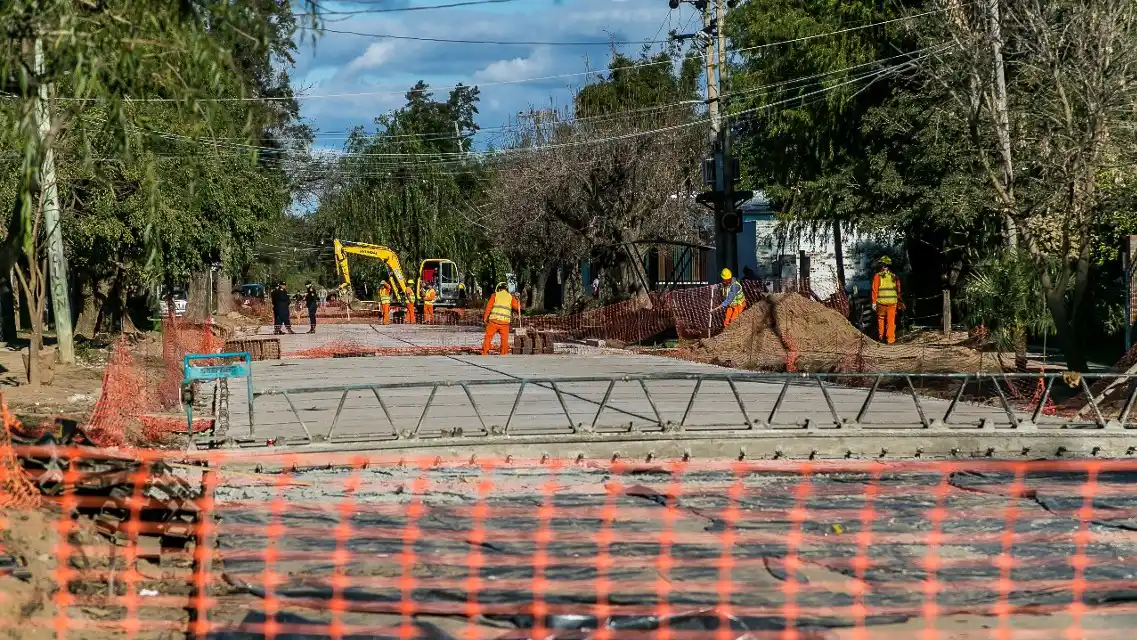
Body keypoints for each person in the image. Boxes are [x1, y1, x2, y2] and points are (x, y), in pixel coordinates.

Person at [481, 282, 520, 355]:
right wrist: (518, 300)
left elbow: (488, 307)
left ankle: (484, 352)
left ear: (499, 289)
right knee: (504, 339)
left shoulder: (495, 295)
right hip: (505, 323)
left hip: (493, 321)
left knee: (488, 337)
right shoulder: (511, 297)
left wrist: (485, 318)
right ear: (507, 289)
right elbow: (517, 307)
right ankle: (503, 354)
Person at [872, 256, 902, 344]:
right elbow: (898, 290)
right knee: (891, 321)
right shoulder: (894, 277)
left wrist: (874, 302)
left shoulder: (877, 276)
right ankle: (891, 340)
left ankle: (881, 338)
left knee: (881, 319)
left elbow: (875, 290)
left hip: (881, 302)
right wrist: (899, 301)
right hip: (892, 303)